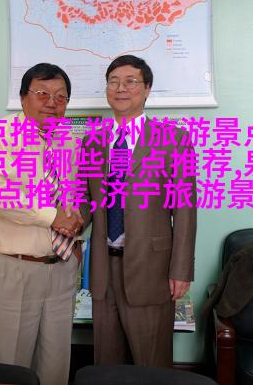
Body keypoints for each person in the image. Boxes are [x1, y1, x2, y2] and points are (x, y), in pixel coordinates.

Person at [79, 55, 197, 367]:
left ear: (147, 89)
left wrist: (181, 270)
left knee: (151, 362)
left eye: (130, 81)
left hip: (151, 268)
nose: (121, 88)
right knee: (106, 362)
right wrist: (62, 222)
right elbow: (86, 200)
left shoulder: (174, 139)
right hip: (103, 267)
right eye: (113, 82)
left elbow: (185, 209)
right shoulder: (93, 141)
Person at [0, 63, 84, 385]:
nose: (52, 103)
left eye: (61, 96)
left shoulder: (69, 142)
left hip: (61, 266)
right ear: (24, 98)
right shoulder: (0, 135)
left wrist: (77, 231)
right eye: (42, 94)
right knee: (9, 367)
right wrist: (52, 217)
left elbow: (72, 196)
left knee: (55, 365)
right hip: (15, 267)